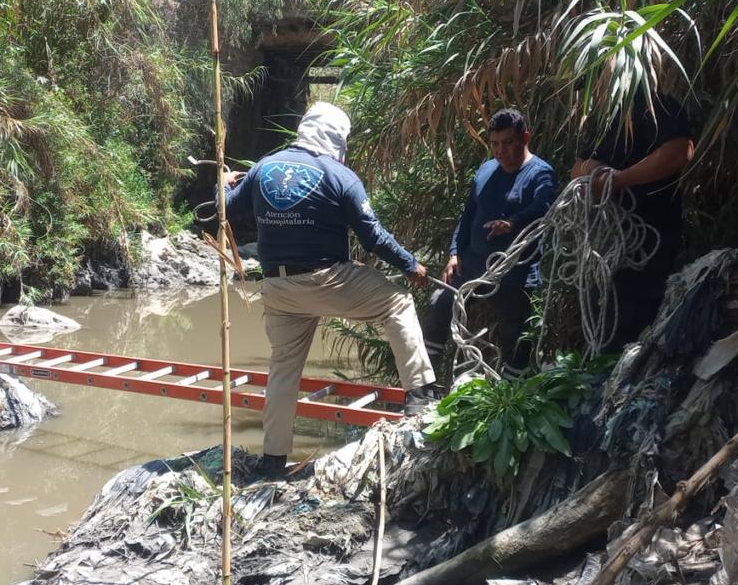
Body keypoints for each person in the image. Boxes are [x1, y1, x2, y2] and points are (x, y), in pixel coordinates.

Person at [224, 102, 438, 477]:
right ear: (337, 137)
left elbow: (224, 209)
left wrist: (222, 183)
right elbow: (373, 236)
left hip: (278, 287)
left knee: (283, 369)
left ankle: (273, 460)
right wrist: (410, 265)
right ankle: (420, 397)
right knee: (398, 303)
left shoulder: (262, 168)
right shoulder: (340, 176)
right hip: (328, 279)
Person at [423, 109, 557, 378]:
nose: (500, 151)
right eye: (495, 143)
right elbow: (468, 216)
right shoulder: (486, 170)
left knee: (515, 333)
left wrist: (512, 222)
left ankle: (509, 392)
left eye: (507, 143)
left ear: (525, 138)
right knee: (440, 302)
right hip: (473, 264)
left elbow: (545, 208)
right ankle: (425, 381)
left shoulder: (540, 173)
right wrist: (454, 253)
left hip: (514, 272)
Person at [571, 93, 696, 351]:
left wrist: (618, 181)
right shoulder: (607, 114)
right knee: (605, 326)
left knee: (638, 332)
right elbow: (579, 166)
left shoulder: (655, 103)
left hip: (649, 245)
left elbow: (680, 151)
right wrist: (597, 172)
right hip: (607, 247)